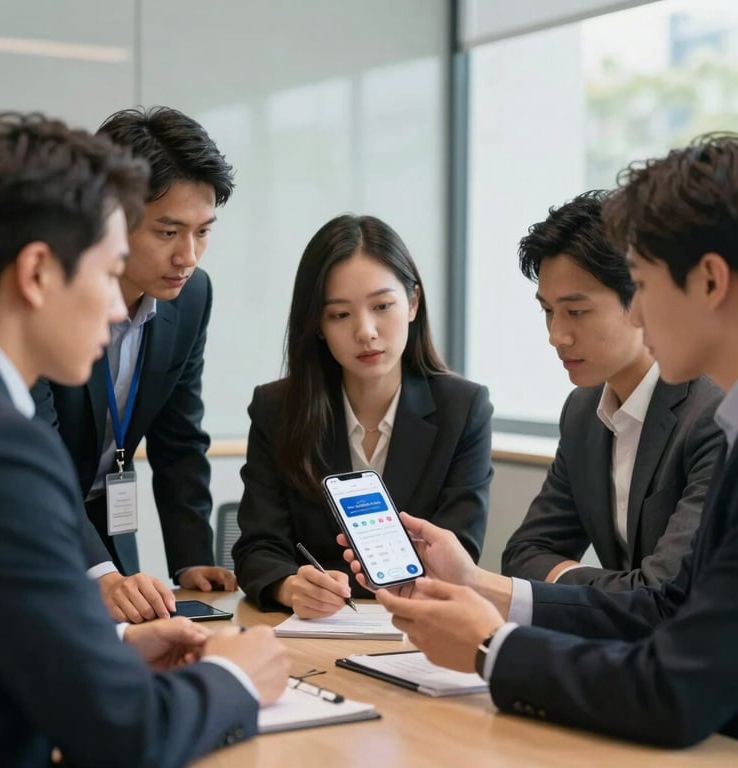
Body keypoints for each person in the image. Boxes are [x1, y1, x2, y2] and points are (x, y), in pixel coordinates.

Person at [341, 135, 738, 747]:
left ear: (709, 281)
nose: (637, 315)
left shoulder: (715, 421)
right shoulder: (589, 412)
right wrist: (475, 584)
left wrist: (490, 644)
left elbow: (669, 638)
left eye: (644, 286)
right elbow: (544, 557)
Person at [0, 111, 289, 767]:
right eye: (108, 267)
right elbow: (121, 731)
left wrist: (108, 643)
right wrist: (235, 677)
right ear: (36, 273)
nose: (121, 309)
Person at [32, 106, 237, 623]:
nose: (189, 256)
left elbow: (179, 435)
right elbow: (39, 455)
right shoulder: (47, 297)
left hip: (105, 516)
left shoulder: (191, 297)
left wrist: (192, 556)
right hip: (25, 519)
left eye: (203, 231)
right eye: (168, 233)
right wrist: (99, 573)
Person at [233, 214, 493, 617]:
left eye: (382, 306)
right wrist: (290, 587)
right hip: (312, 629)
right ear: (317, 324)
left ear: (412, 303)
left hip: (420, 628)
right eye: (340, 315)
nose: (366, 331)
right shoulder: (277, 409)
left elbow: (457, 551)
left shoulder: (464, 408)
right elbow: (257, 547)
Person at [501, 191, 722, 590]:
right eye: (547, 311)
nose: (556, 336)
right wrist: (622, 586)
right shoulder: (584, 411)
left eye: (577, 312)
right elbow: (523, 553)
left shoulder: (713, 414)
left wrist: (567, 579)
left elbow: (665, 594)